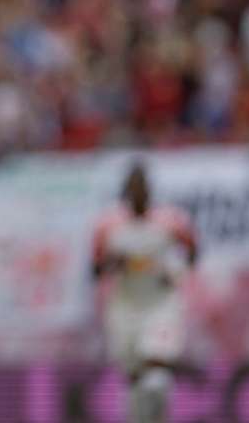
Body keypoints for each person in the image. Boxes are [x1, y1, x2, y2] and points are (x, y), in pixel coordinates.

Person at [92, 163, 198, 423]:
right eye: (133, 188)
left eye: (143, 187)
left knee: (157, 376)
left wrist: (175, 272)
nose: (138, 193)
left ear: (150, 190)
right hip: (125, 306)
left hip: (160, 304)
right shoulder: (108, 225)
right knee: (136, 380)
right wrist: (114, 264)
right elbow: (96, 268)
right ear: (126, 192)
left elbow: (193, 252)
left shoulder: (170, 220)